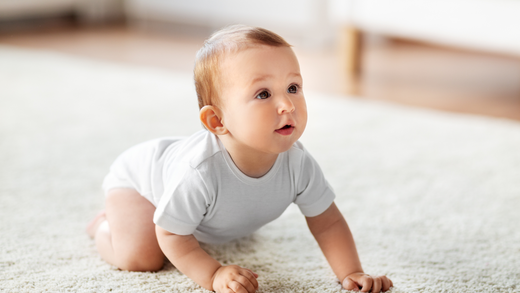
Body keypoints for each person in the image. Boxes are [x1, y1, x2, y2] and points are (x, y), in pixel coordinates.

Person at [87, 24, 393, 293]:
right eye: (263, 94)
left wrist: (351, 272)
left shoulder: (299, 164)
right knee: (142, 258)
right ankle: (103, 225)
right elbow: (170, 233)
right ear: (218, 121)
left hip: (192, 194)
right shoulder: (199, 173)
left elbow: (328, 223)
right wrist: (213, 274)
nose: (287, 104)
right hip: (140, 183)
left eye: (293, 87)